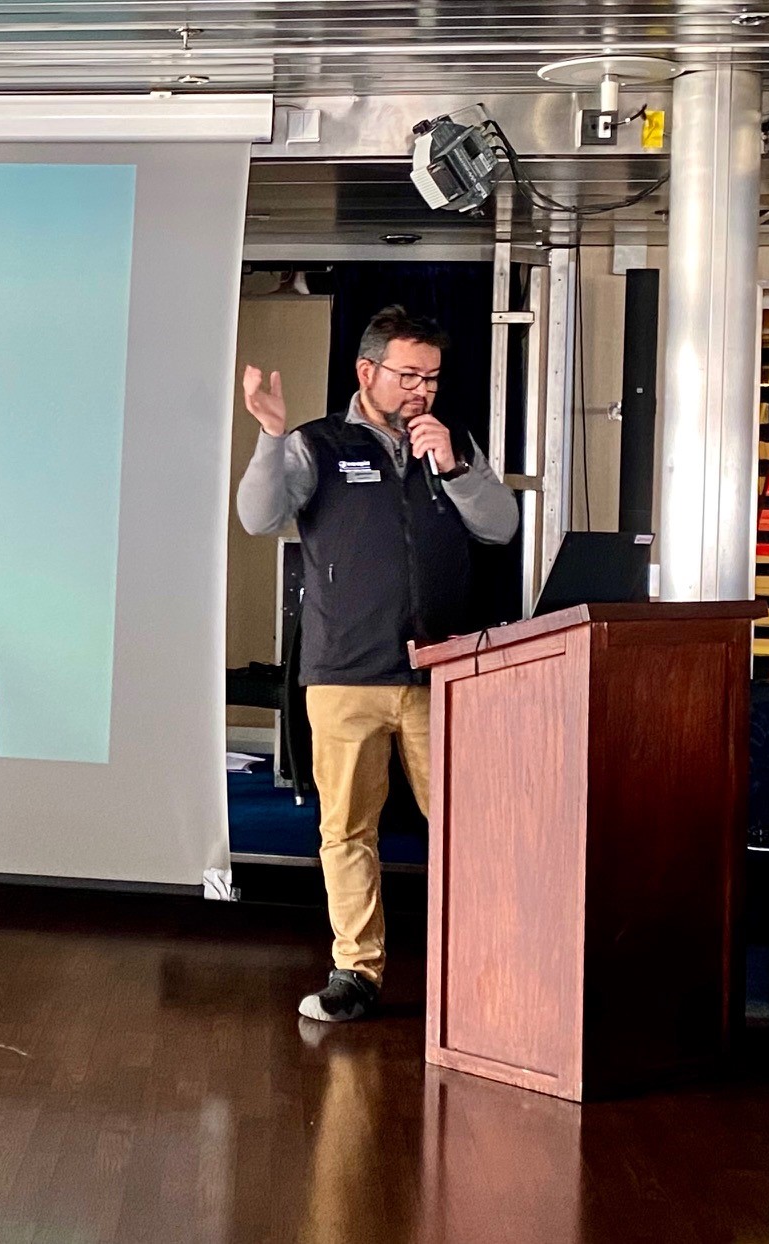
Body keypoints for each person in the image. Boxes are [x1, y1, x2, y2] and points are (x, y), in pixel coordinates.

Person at [237, 305, 518, 1023]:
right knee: (348, 829)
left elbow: (500, 526)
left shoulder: (451, 448)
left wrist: (453, 464)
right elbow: (258, 515)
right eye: (408, 375)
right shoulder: (318, 445)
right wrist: (271, 434)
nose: (422, 390)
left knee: (469, 825)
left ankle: (489, 964)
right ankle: (356, 972)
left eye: (431, 377)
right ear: (368, 373)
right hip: (344, 675)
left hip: (440, 675)